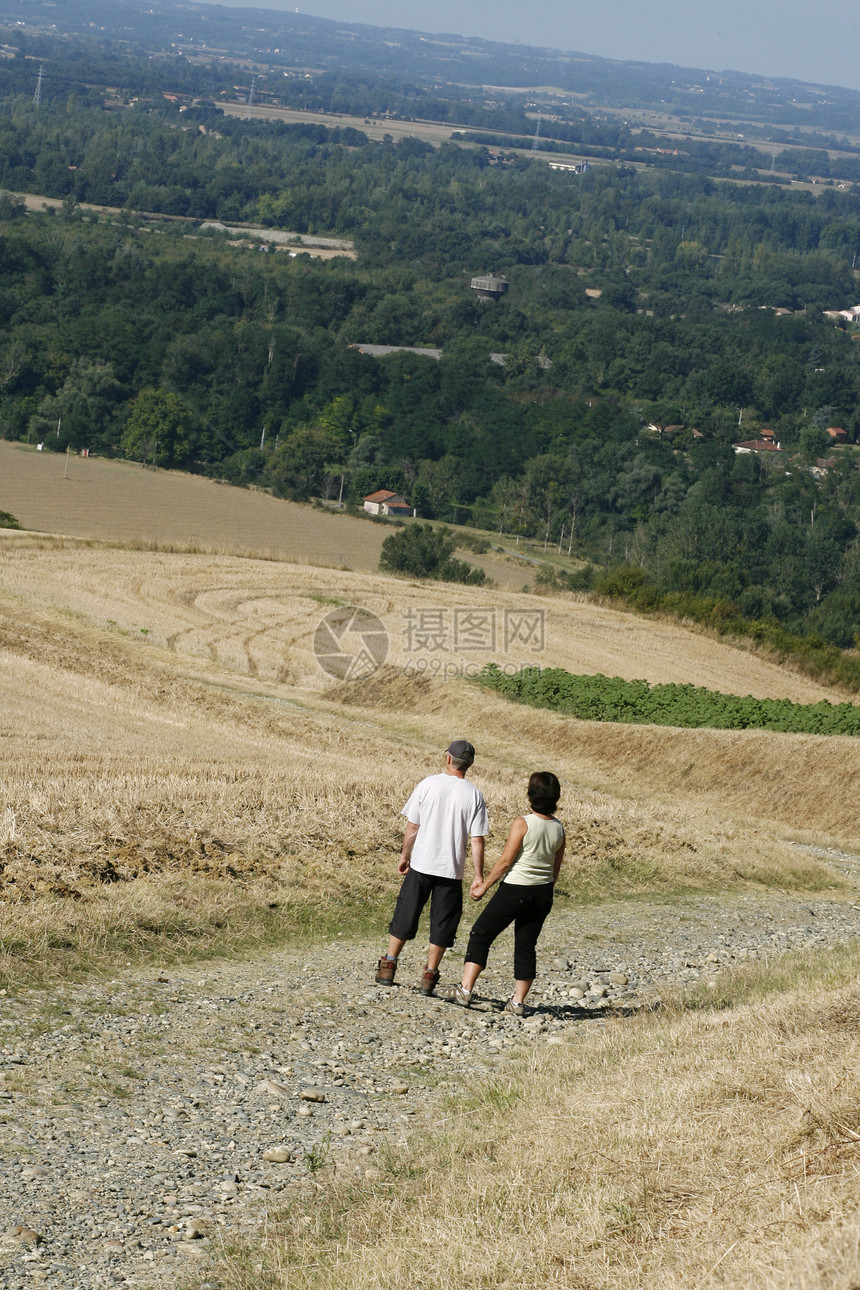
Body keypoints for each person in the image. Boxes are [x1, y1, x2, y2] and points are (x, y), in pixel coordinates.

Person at [436, 771, 565, 1015]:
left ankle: (465, 989)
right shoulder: (559, 828)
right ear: (555, 797)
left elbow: (506, 861)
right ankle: (517, 1003)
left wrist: (483, 886)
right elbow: (555, 870)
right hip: (543, 892)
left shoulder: (522, 823)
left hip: (516, 889)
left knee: (481, 933)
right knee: (526, 945)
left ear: (531, 795)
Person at [375, 740, 489, 996]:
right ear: (470, 765)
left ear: (448, 759)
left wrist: (405, 856)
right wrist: (478, 875)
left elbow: (413, 826)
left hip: (422, 863)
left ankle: (389, 964)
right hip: (452, 870)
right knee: (442, 923)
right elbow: (477, 839)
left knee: (406, 912)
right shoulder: (474, 794)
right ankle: (429, 975)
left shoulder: (428, 784)